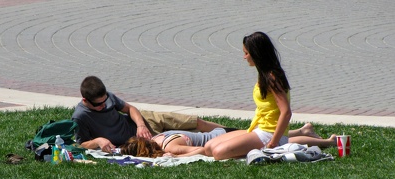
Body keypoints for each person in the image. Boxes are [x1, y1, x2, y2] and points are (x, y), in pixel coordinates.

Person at [71, 76, 224, 152]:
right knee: (193, 137)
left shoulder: (107, 97)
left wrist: (141, 125)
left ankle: (238, 131)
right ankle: (234, 140)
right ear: (85, 100)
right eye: (98, 104)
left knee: (195, 122)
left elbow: (130, 109)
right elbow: (81, 143)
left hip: (145, 121)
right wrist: (98, 141)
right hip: (138, 141)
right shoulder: (80, 116)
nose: (104, 105)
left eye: (105, 101)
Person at [204, 31, 293, 160]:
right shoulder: (264, 74)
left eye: (246, 53)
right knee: (208, 148)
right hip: (260, 129)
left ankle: (256, 151)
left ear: (256, 54)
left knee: (218, 153)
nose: (244, 57)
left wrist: (273, 143)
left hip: (271, 134)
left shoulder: (272, 77)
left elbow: (286, 112)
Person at [120, 124, 336, 158]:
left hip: (220, 137)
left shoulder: (169, 146)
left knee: (277, 140)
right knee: (277, 137)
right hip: (220, 132)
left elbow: (202, 150)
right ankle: (305, 130)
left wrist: (177, 156)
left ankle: (325, 141)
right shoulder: (158, 136)